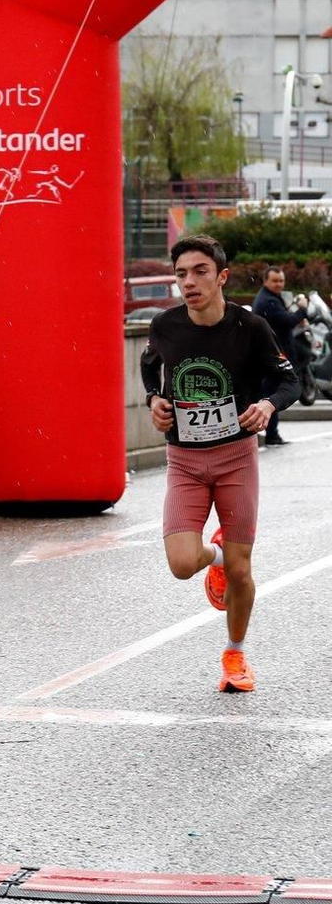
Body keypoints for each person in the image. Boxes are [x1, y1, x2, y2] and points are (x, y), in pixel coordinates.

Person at [140, 235, 299, 694]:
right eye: (181, 274)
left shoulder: (249, 328)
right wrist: (154, 398)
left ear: (221, 277)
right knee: (181, 563)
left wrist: (268, 406)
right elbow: (151, 368)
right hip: (184, 461)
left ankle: (235, 655)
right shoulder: (165, 326)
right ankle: (215, 561)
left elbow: (287, 381)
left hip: (236, 459)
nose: (188, 282)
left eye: (199, 272)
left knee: (243, 570)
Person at [250, 265, 308, 447]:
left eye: (281, 280)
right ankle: (271, 434)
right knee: (272, 396)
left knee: (269, 394)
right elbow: (288, 321)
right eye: (275, 280)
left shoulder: (272, 298)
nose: (279, 284)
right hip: (272, 358)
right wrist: (303, 310)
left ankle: (271, 433)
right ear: (265, 281)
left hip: (273, 355)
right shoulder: (268, 301)